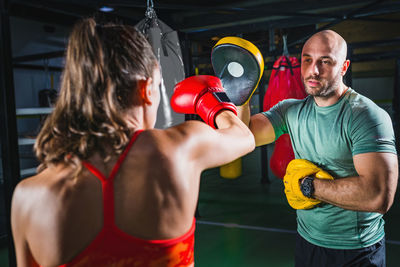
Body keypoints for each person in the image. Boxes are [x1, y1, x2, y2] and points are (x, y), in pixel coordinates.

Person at [11, 18, 255, 267]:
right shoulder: (180, 148)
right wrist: (214, 102)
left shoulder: (28, 197)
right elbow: (244, 137)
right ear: (146, 89)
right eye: (159, 87)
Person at [240, 29, 398, 266]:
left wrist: (308, 187)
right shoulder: (290, 111)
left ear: (344, 67)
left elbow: (378, 195)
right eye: (307, 60)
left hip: (357, 251)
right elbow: (245, 135)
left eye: (325, 61)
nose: (313, 70)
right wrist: (241, 93)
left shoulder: (366, 116)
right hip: (307, 243)